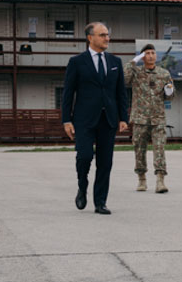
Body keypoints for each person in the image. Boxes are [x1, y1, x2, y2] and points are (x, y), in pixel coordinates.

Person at [62, 22, 129, 215]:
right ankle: (82, 186)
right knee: (84, 156)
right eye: (102, 35)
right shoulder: (77, 62)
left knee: (105, 162)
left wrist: (123, 117)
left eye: (108, 35)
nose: (107, 38)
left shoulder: (115, 62)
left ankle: (100, 202)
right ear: (90, 38)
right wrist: (66, 120)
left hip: (108, 119)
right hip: (83, 120)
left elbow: (121, 93)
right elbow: (68, 93)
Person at [124, 43, 174, 193]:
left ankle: (160, 180)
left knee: (159, 148)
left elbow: (169, 97)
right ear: (142, 56)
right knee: (139, 148)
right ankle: (142, 179)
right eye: (147, 53)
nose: (151, 55)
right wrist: (133, 61)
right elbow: (124, 80)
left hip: (158, 118)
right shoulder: (136, 72)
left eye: (153, 53)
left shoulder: (164, 74)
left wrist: (170, 91)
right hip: (140, 118)